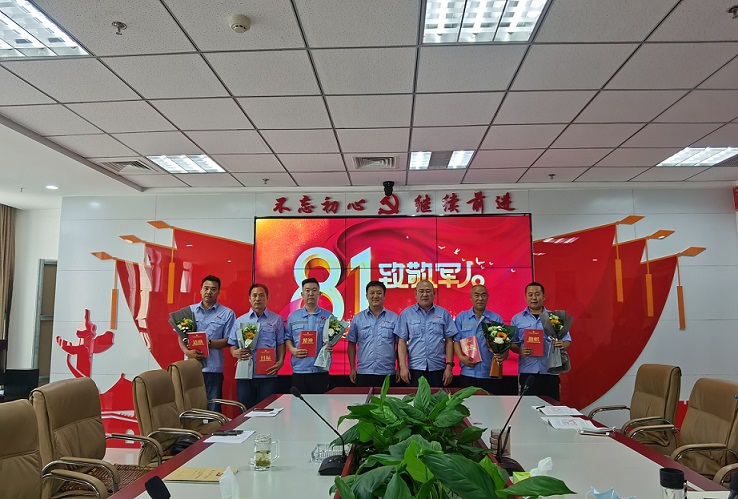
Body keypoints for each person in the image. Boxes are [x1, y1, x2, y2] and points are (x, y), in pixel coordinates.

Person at [178, 275, 235, 411]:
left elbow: (229, 340)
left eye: (213, 289)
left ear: (218, 292)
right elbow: (181, 336)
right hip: (190, 368)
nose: (209, 292)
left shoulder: (227, 313)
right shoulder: (189, 311)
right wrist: (186, 352)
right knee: (190, 408)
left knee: (213, 408)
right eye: (206, 288)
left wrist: (207, 343)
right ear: (200, 290)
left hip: (213, 369)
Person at [510, 282, 571, 401]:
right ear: (525, 297)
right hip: (528, 371)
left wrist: (562, 345)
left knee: (551, 406)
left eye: (537, 294)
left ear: (544, 296)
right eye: (530, 294)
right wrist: (519, 351)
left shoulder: (554, 318)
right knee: (527, 406)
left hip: (551, 371)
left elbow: (567, 341)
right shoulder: (517, 319)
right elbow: (512, 343)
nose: (534, 297)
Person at [228, 283, 285, 408]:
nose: (258, 298)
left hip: (267, 374)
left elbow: (280, 343)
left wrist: (280, 361)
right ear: (249, 298)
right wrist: (234, 352)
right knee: (245, 410)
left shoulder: (277, 320)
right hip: (245, 374)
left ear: (267, 298)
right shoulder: (240, 321)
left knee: (268, 410)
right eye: (254, 295)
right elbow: (232, 344)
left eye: (261, 295)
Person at [395, 279, 458, 387]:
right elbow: (401, 342)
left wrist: (449, 366)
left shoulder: (443, 313)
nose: (425, 294)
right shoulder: (406, 314)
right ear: (416, 293)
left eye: (428, 291)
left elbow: (449, 341)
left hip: (438, 368)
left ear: (434, 293)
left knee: (438, 397)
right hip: (415, 369)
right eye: (421, 291)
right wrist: (403, 366)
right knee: (415, 397)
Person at [454, 284, 507, 394]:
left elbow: (504, 344)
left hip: (490, 373)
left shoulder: (496, 318)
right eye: (477, 295)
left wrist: (503, 355)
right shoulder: (461, 318)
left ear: (487, 297)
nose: (480, 298)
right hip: (468, 373)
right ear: (471, 297)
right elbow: (456, 341)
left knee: (491, 404)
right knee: (468, 404)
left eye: (483, 295)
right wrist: (461, 357)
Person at [285, 277, 334, 394]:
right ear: (302, 294)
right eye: (307, 290)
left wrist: (330, 345)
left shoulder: (328, 316)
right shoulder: (293, 317)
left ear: (319, 294)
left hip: (320, 369)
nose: (311, 293)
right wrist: (292, 350)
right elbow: (287, 338)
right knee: (299, 403)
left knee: (321, 403)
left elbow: (332, 338)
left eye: (314, 290)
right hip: (299, 369)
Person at [347, 280, 400, 387]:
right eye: (372, 293)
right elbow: (351, 344)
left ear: (384, 296)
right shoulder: (358, 318)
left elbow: (399, 345)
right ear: (367, 296)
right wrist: (352, 368)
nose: (375, 296)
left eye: (379, 293)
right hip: (364, 372)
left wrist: (400, 367)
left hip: (387, 372)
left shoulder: (394, 318)